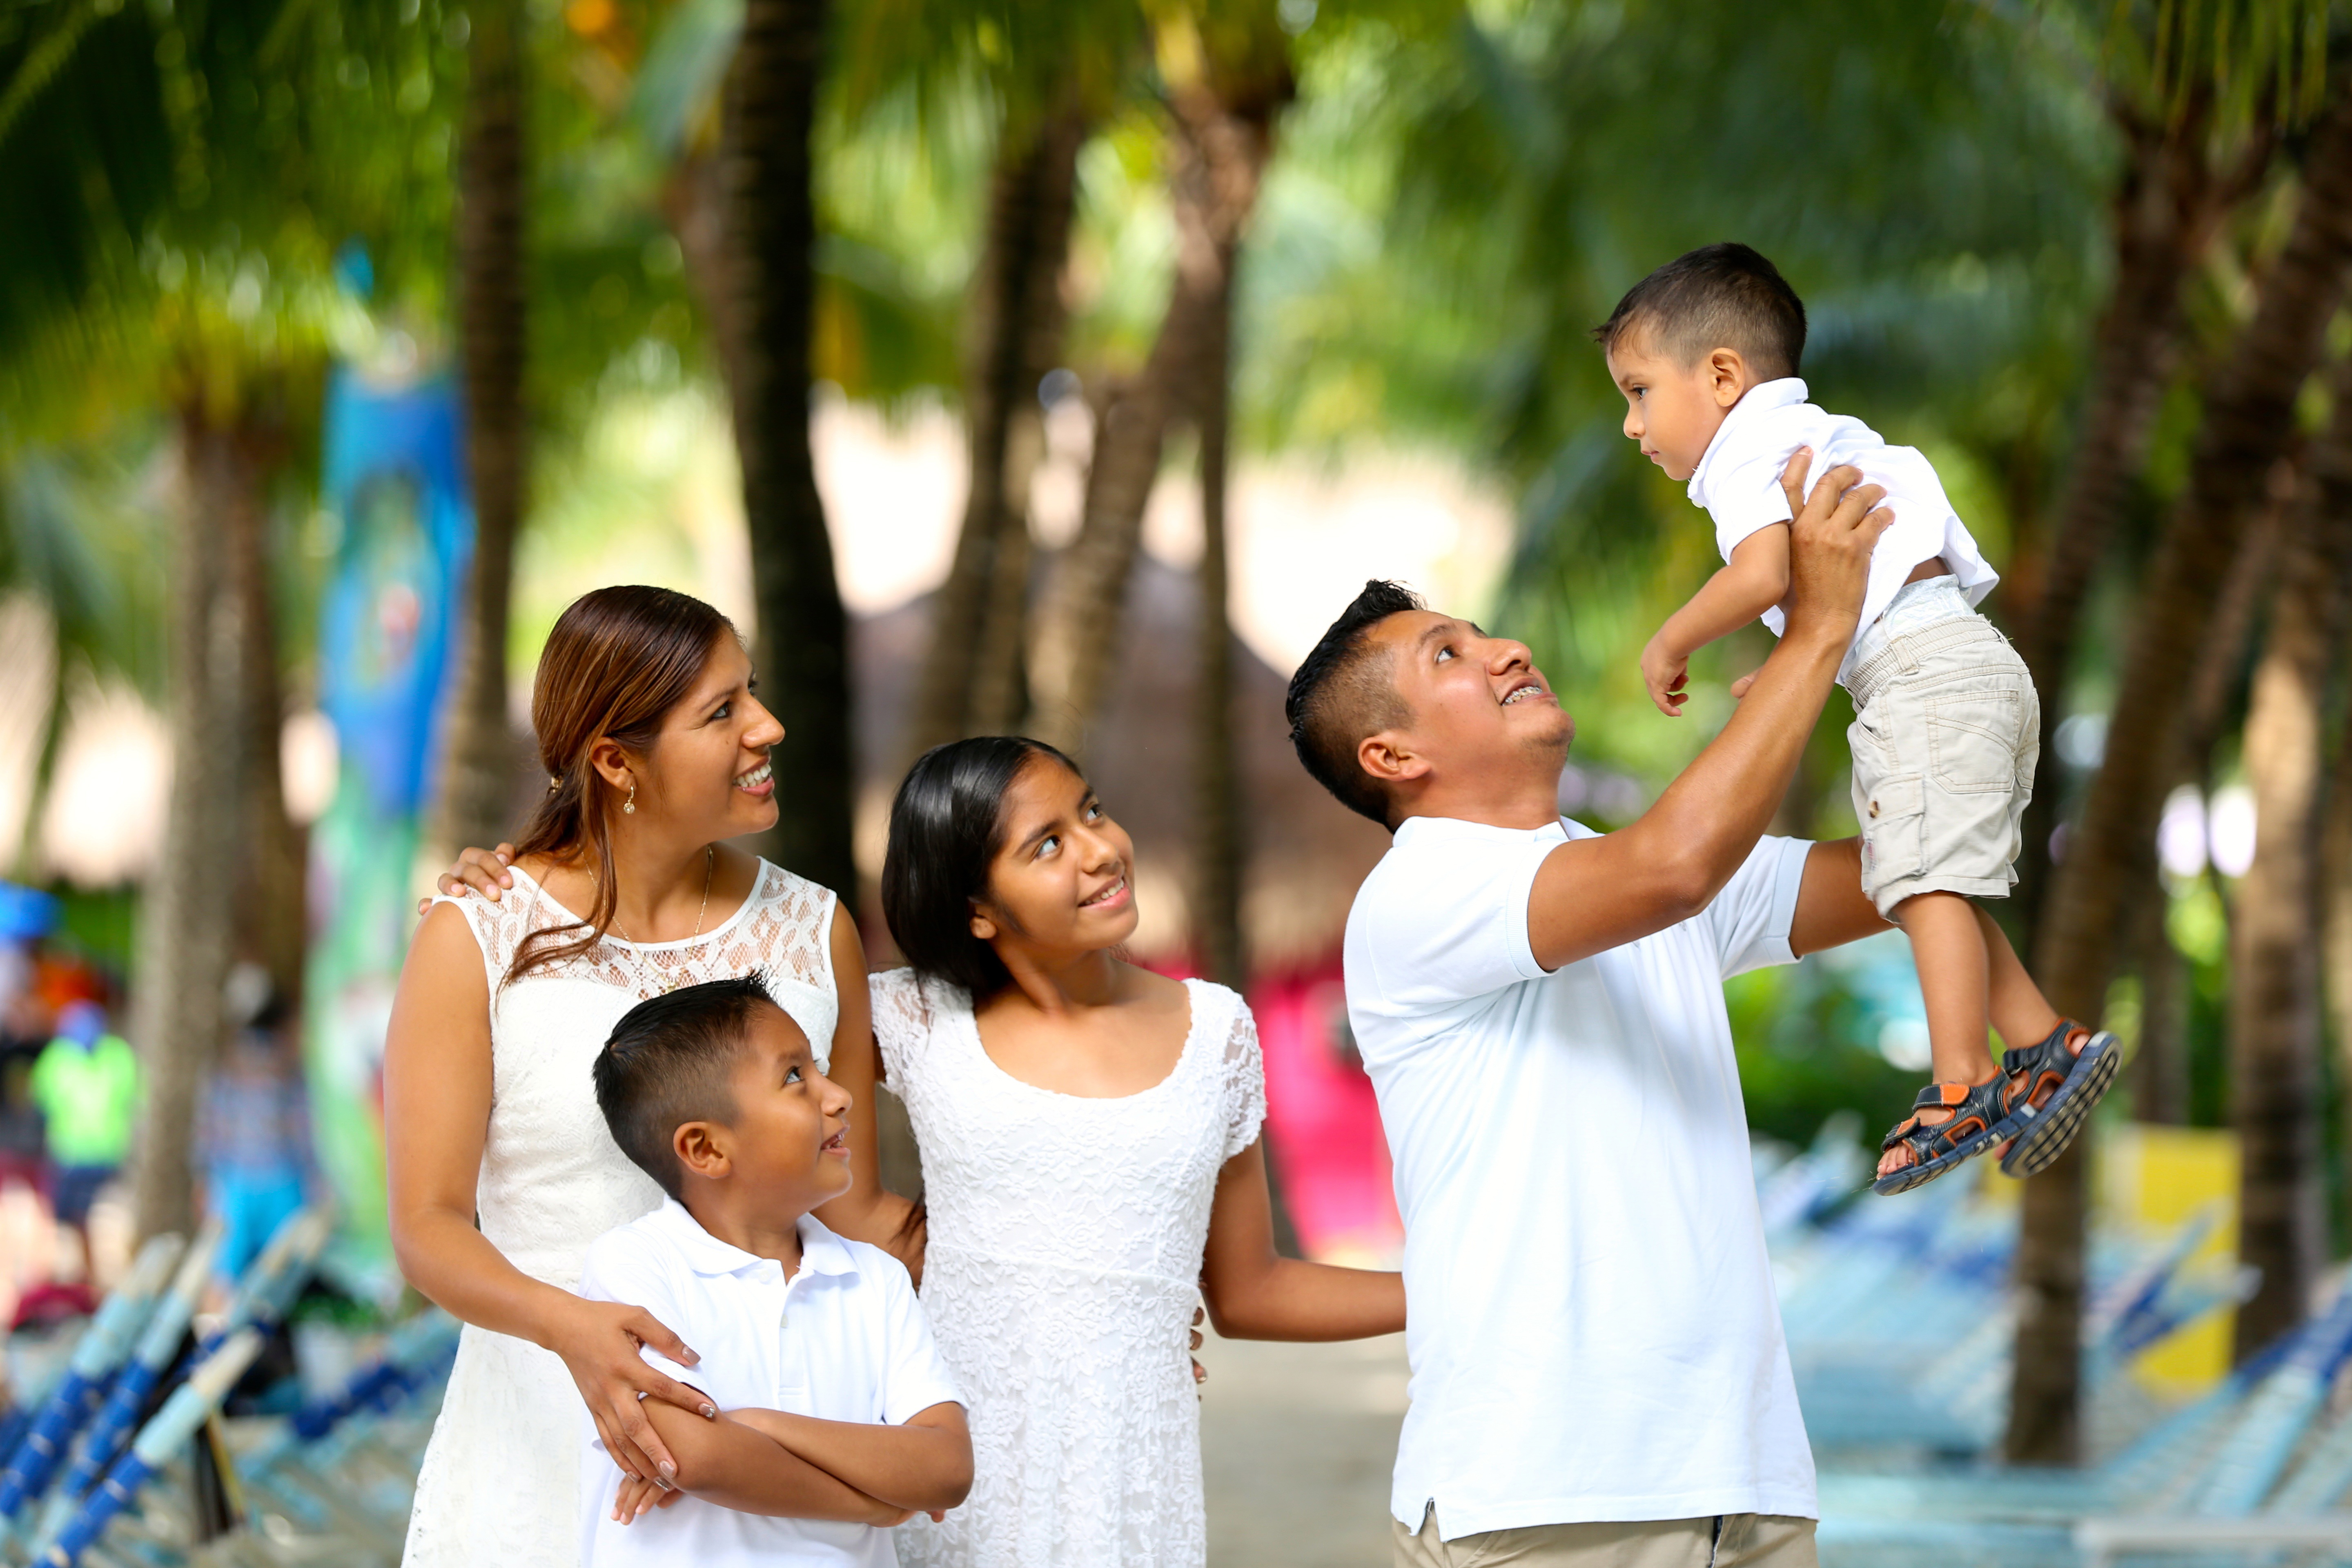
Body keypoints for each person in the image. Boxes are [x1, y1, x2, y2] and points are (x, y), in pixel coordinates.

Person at [1282, 461, 1958, 1566]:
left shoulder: (1619, 876)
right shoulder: (1419, 897)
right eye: (1446, 654)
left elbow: (1926, 861)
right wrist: (1815, 631)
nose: (1506, 649)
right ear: (1391, 756)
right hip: (1545, 1499)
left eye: (1483, 631)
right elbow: (1678, 866)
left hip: (1744, 1489)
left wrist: (1923, 672)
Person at [386, 584, 918, 1568]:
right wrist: (575, 1331)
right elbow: (425, 1226)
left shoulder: (813, 932)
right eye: (721, 711)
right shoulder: (478, 933)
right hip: (543, 1449)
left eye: (749, 691)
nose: (769, 726)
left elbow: (853, 1215)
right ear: (614, 760)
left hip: (777, 1458)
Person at [1599, 242, 2114, 1192]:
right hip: (1958, 656)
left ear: (1720, 376)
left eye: (1636, 392)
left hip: (1923, 672)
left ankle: (1959, 1084)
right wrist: (1789, 671)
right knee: (1920, 882)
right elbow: (1849, 591)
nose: (1630, 425)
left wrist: (1669, 640)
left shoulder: (1743, 456)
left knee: (1920, 881)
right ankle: (2043, 1042)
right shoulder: (1825, 434)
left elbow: (1758, 574)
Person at [863, 736, 1405, 1568]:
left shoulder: (1215, 1030)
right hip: (954, 1457)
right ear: (977, 908)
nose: (1100, 850)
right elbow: (748, 1131)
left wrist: (1455, 1292)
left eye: (1091, 810)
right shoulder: (911, 1019)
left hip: (1135, 1477)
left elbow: (1251, 1289)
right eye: (1046, 845)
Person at [579, 975, 969, 1566]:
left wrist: (756, 1424)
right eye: (795, 1077)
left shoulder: (875, 1279)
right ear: (706, 1150)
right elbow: (689, 1454)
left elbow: (946, 1468)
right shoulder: (634, 1266)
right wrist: (876, 1502)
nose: (839, 1095)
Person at [29, 1000, 138, 1264]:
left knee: (98, 1223)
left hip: (105, 1156)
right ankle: (69, 1277)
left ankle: (93, 1279)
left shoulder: (117, 1055)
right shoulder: (58, 1057)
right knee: (65, 1222)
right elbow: (42, 1102)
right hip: (69, 1155)